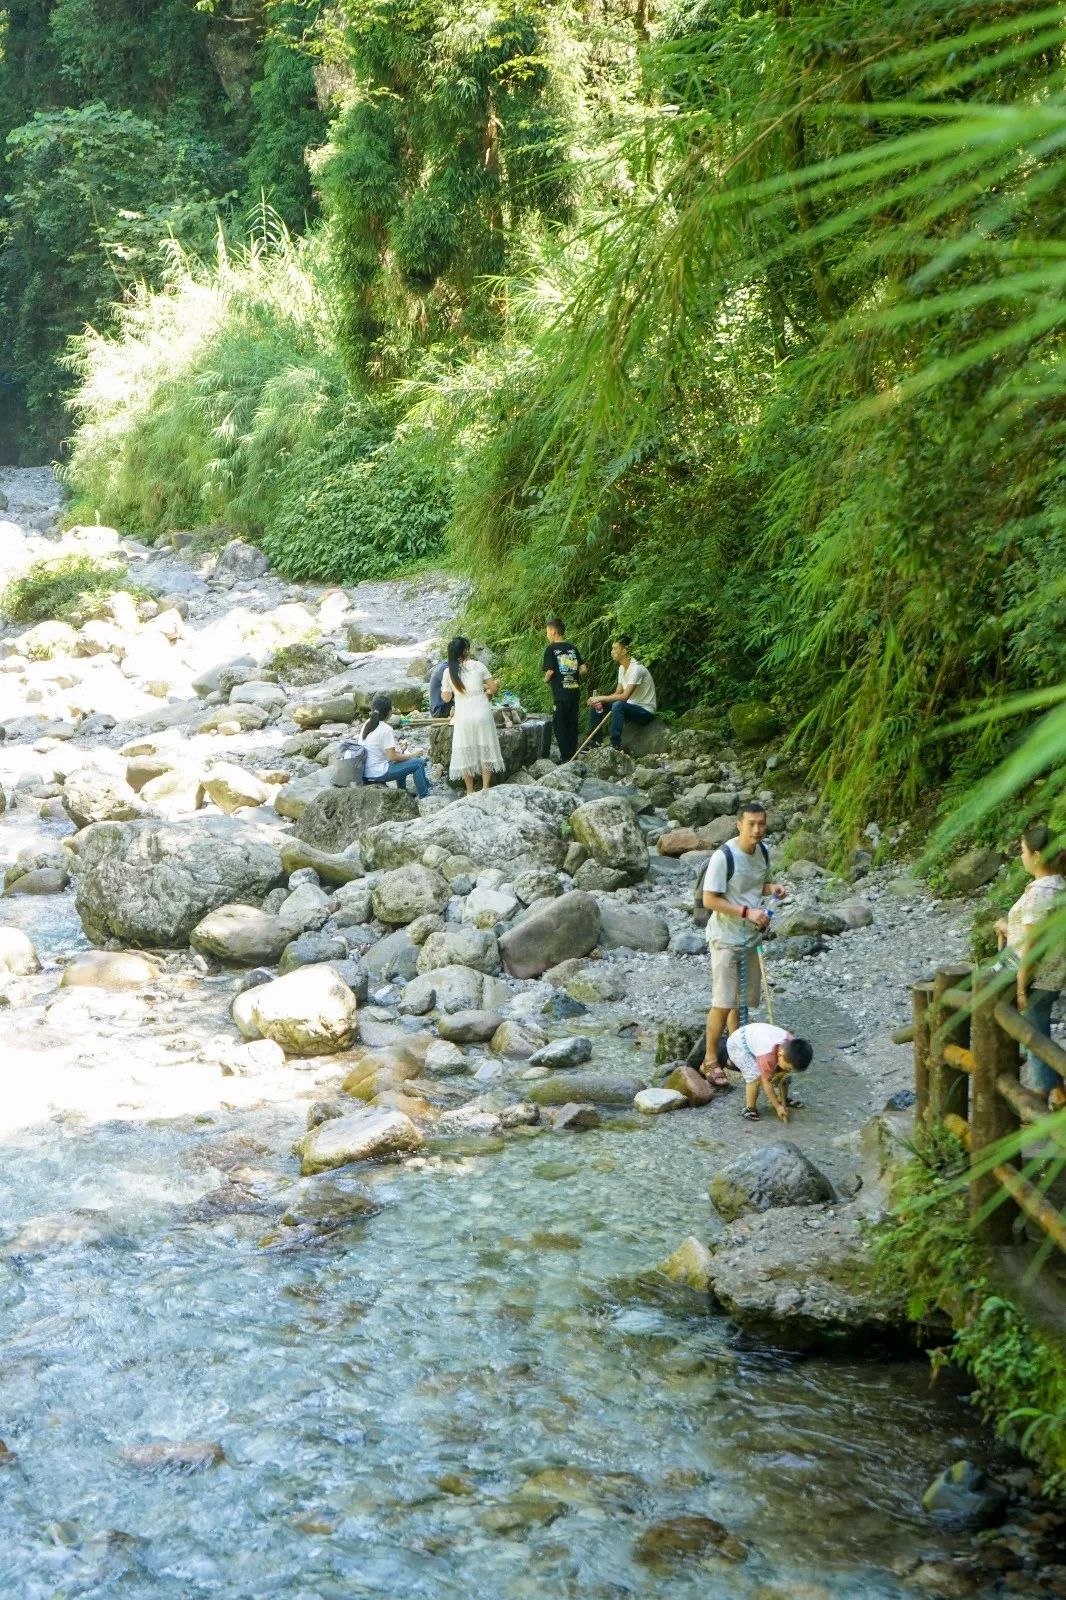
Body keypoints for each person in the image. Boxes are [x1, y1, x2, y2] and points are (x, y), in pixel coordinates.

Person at [697, 800, 787, 1086]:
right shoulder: (724, 856)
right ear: (739, 824)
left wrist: (772, 889)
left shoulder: (762, 852)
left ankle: (737, 1053)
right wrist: (749, 912)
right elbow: (709, 899)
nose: (757, 830)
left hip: (750, 937)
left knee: (743, 1001)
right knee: (723, 1002)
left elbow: (753, 884)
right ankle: (709, 1061)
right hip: (724, 938)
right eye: (751, 824)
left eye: (761, 823)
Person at [995, 822, 1066, 1108]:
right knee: (1037, 1031)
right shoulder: (1058, 883)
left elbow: (1033, 944)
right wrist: (1005, 926)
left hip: (1037, 974)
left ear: (1036, 855)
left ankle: (1042, 1096)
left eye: (1022, 850)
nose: (1020, 856)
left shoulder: (1041, 891)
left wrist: (1022, 986)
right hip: (1054, 971)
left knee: (1033, 1036)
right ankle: (1057, 1092)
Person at [440, 635, 505, 795]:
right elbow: (493, 689)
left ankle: (469, 791)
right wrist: (494, 685)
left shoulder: (449, 672)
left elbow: (446, 697)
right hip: (482, 712)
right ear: (466, 650)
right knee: (485, 748)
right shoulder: (478, 665)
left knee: (464, 751)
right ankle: (485, 788)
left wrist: (447, 691)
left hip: (463, 716)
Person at [723, 1021, 813, 1122]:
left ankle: (782, 1099)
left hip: (757, 1038)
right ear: (780, 1054)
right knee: (755, 1077)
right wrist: (777, 1107)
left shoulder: (792, 1044)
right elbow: (766, 1083)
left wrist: (783, 1073)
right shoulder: (767, 1055)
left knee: (783, 1076)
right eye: (788, 1068)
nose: (789, 1070)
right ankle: (750, 1108)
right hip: (738, 1046)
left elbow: (783, 1071)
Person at [587, 636, 657, 750]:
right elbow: (618, 692)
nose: (612, 652)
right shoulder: (621, 668)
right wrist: (599, 700)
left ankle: (615, 744)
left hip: (645, 711)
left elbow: (624, 697)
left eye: (615, 649)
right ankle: (596, 741)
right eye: (612, 649)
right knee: (597, 706)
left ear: (624, 651)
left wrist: (600, 697)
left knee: (618, 704)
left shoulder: (636, 668)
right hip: (630, 706)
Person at [358, 694, 431, 798]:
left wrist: (401, 750)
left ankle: (403, 794)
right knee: (418, 763)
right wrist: (413, 754)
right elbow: (393, 757)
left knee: (401, 759)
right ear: (389, 712)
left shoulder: (368, 724)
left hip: (366, 772)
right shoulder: (386, 729)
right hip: (377, 773)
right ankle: (425, 796)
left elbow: (383, 752)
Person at [542, 616, 586, 762]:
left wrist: (546, 680)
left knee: (560, 725)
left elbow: (550, 672)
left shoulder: (551, 649)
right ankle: (573, 754)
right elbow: (583, 668)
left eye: (547, 632)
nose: (547, 635)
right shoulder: (573, 648)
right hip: (574, 691)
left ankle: (566, 757)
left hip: (560, 694)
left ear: (554, 632)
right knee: (572, 723)